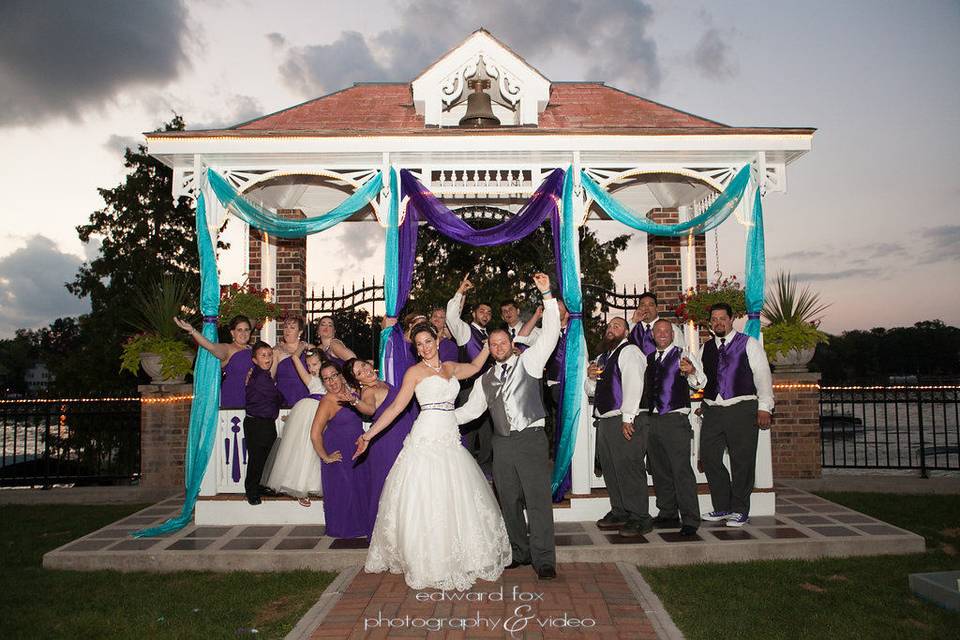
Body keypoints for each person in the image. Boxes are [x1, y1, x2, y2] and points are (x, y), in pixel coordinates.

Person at [353, 323, 510, 591]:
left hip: (449, 436)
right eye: (420, 345)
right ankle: (427, 559)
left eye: (428, 341)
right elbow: (394, 409)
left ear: (437, 341)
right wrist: (369, 436)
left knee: (454, 495)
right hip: (426, 436)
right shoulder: (414, 372)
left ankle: (461, 554)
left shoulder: (450, 367)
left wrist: (486, 347)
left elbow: (473, 368)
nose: (425, 347)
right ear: (417, 349)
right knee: (426, 496)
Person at [455, 273, 560, 580]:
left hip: (530, 439)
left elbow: (551, 333)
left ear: (512, 343)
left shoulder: (531, 361)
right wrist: (438, 416)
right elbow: (469, 412)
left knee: (537, 500)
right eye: (493, 344)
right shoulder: (484, 379)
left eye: (503, 342)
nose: (498, 347)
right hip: (502, 444)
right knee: (509, 500)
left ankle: (544, 559)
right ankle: (519, 550)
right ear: (488, 347)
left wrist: (547, 296)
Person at [698, 303, 774, 527]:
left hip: (742, 408)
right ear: (710, 322)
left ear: (731, 320)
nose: (718, 322)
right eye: (714, 318)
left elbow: (762, 374)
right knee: (710, 458)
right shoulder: (706, 348)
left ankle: (740, 509)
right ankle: (722, 506)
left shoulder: (748, 343)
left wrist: (764, 406)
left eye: (722, 318)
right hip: (713, 410)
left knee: (742, 460)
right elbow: (702, 381)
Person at [585, 317, 651, 537]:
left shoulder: (630, 351)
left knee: (629, 469)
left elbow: (634, 384)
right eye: (609, 327)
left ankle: (640, 517)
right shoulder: (603, 357)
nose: (611, 329)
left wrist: (628, 418)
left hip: (625, 419)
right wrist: (591, 378)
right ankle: (620, 510)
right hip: (605, 420)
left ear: (627, 332)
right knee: (612, 469)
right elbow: (590, 390)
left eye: (616, 326)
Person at [643, 319, 706, 536]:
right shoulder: (648, 359)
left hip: (675, 420)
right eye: (658, 330)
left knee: (681, 471)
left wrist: (690, 372)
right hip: (652, 421)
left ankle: (690, 519)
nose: (662, 334)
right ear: (652, 335)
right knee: (659, 470)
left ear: (672, 334)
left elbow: (701, 382)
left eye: (666, 331)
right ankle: (668, 513)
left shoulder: (683, 355)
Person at [343, 357, 418, 536]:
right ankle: (384, 535)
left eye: (363, 365)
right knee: (388, 489)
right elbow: (369, 409)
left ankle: (406, 532)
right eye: (359, 373)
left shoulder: (383, 382)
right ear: (358, 381)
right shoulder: (368, 391)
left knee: (405, 487)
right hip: (388, 442)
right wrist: (354, 401)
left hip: (402, 435)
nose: (365, 371)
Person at [261, 347, 328, 507]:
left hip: (325, 411)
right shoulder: (309, 379)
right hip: (309, 411)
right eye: (309, 365)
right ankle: (299, 488)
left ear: (323, 362)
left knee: (320, 449)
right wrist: (302, 347)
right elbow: (294, 358)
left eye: (315, 364)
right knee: (304, 448)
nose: (311, 368)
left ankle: (316, 485)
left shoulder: (332, 376)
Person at [311, 362, 371, 538]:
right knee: (344, 493)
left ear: (341, 375)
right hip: (339, 452)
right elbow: (315, 434)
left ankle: (362, 527)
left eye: (333, 376)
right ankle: (345, 530)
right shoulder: (327, 402)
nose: (331, 381)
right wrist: (325, 457)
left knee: (361, 489)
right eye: (326, 379)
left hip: (357, 450)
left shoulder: (353, 392)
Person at [446, 275, 495, 474]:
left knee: (488, 430)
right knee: (468, 428)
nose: (485, 314)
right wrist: (460, 291)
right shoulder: (465, 331)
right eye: (481, 311)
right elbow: (451, 317)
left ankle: (485, 469)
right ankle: (464, 470)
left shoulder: (491, 336)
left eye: (489, 312)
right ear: (473, 313)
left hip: (489, 387)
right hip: (468, 387)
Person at [174, 315, 253, 408]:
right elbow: (210, 346)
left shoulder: (254, 350)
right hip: (234, 395)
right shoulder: (228, 349)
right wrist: (192, 331)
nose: (243, 333)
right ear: (232, 333)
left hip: (253, 396)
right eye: (239, 330)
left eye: (246, 330)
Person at [243, 341, 283, 505]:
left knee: (267, 457)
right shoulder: (259, 377)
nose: (267, 358)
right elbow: (276, 396)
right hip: (256, 424)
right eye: (263, 355)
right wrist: (283, 398)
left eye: (269, 355)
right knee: (256, 458)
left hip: (266, 423)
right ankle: (251, 491)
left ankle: (260, 485)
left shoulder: (263, 375)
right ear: (254, 360)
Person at [273, 315, 315, 407]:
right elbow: (270, 377)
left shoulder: (309, 349)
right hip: (285, 397)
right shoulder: (277, 351)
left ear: (300, 332)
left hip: (306, 395)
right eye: (285, 327)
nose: (287, 331)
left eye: (292, 328)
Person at [628, 292, 684, 356]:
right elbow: (618, 343)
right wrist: (633, 321)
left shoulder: (671, 328)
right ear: (638, 308)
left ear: (657, 308)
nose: (646, 308)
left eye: (650, 305)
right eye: (643, 305)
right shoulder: (631, 327)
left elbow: (681, 353)